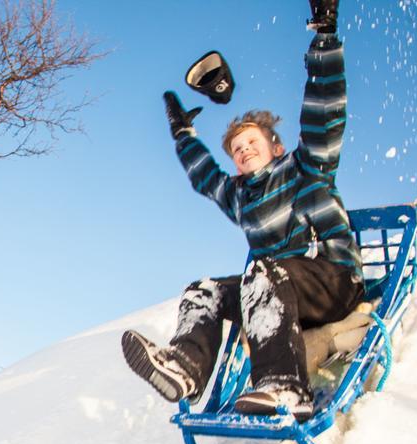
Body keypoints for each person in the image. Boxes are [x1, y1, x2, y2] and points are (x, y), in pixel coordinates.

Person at [121, 0, 362, 422]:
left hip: (333, 280)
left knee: (264, 270)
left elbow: (323, 113)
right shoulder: (241, 196)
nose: (243, 149)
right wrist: (183, 134)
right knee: (205, 291)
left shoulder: (307, 168)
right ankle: (185, 368)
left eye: (251, 142)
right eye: (236, 148)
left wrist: (324, 36)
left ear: (276, 147)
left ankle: (286, 388)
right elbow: (205, 178)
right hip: (275, 290)